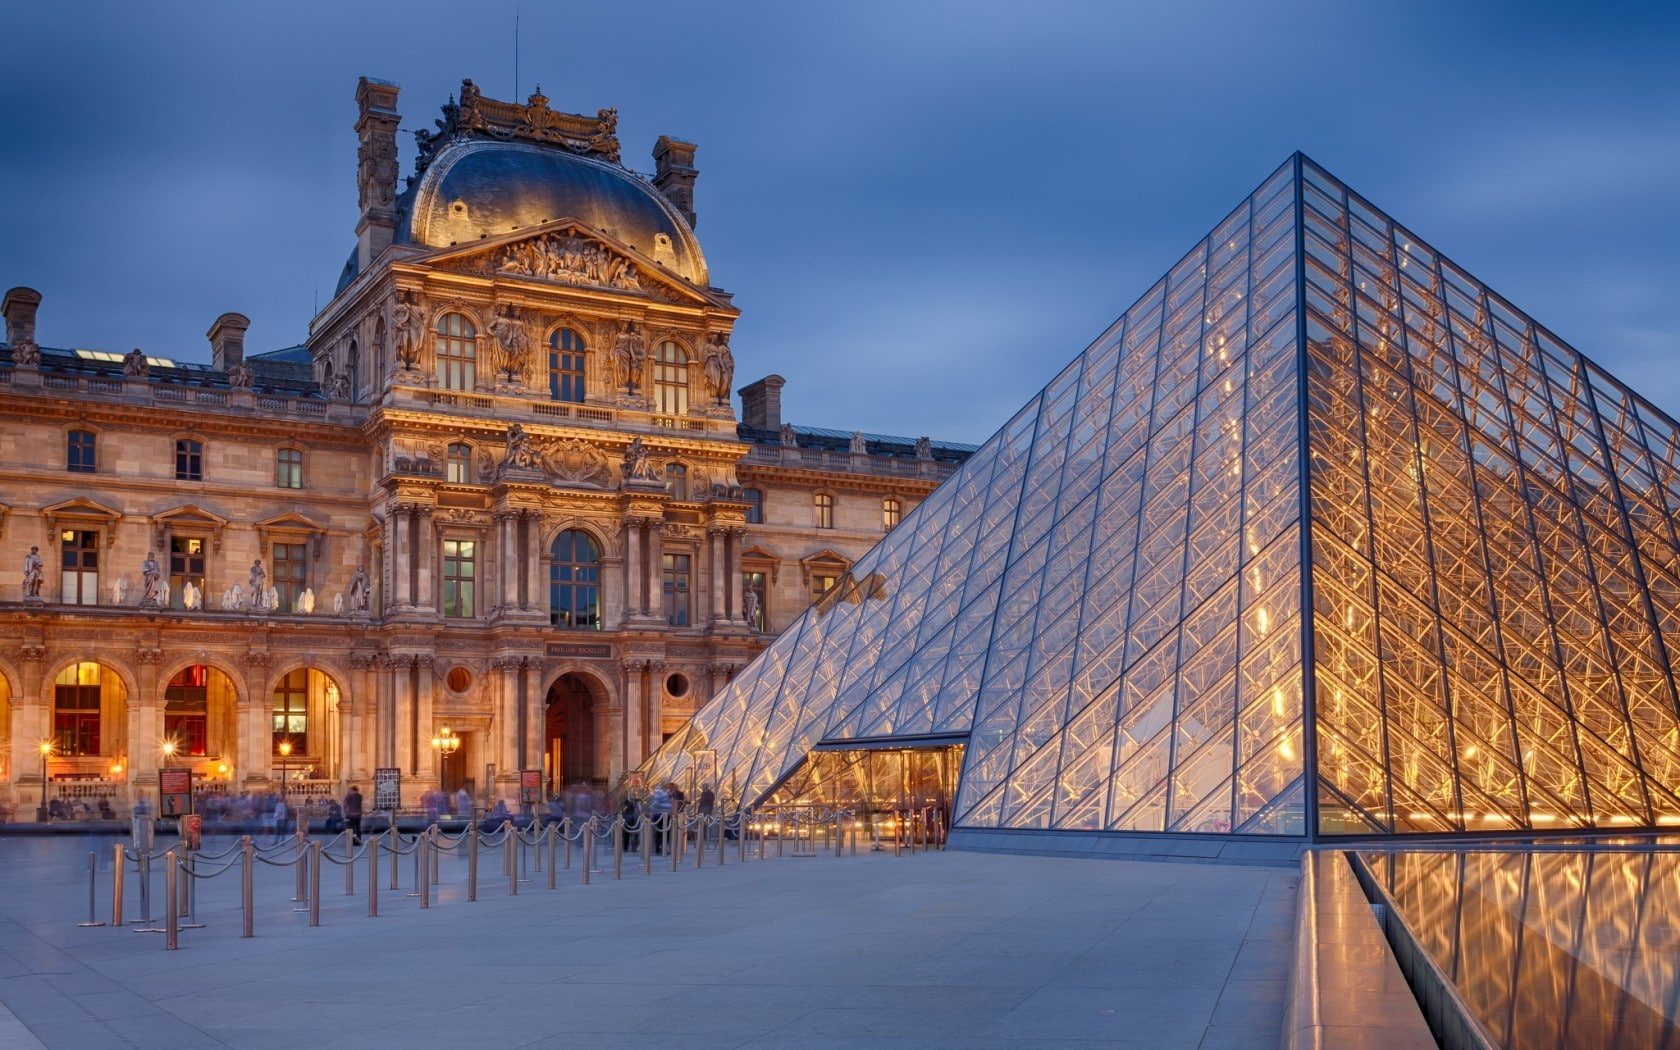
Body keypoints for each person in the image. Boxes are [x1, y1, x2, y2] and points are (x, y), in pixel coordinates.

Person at [647, 783, 672, 855]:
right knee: (662, 832)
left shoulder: (662, 792)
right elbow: (658, 802)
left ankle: (661, 847)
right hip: (661, 815)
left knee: (663, 832)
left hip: (662, 815)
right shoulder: (661, 793)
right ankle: (660, 848)